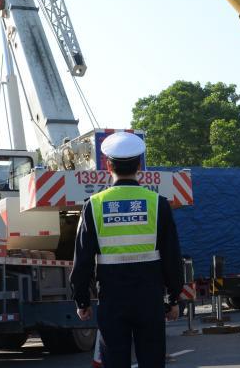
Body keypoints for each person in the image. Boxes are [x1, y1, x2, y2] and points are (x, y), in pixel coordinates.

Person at [71, 131, 183, 368]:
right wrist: (173, 298)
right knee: (152, 360)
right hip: (149, 298)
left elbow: (82, 258)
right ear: (139, 165)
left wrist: (82, 300)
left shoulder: (94, 205)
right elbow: (172, 256)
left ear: (108, 164)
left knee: (114, 361)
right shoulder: (158, 204)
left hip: (111, 300)